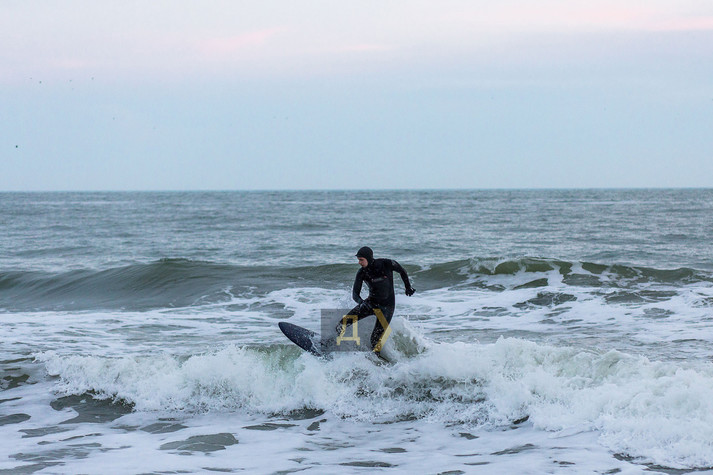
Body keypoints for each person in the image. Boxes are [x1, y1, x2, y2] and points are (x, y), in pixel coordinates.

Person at [337, 246, 415, 354]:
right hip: (370, 304)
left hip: (387, 308)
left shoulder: (386, 264)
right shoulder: (362, 273)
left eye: (361, 260)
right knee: (342, 324)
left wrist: (408, 287)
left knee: (375, 340)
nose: (359, 262)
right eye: (358, 260)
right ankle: (331, 345)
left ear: (368, 258)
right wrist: (361, 303)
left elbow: (402, 271)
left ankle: (376, 359)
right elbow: (355, 294)